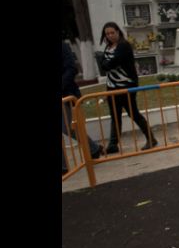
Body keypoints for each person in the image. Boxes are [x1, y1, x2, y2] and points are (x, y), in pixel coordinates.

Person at [98, 22, 157, 154]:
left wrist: (104, 63)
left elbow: (109, 65)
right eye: (107, 33)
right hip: (112, 87)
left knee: (133, 113)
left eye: (112, 32)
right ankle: (113, 145)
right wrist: (104, 64)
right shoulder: (108, 47)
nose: (110, 35)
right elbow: (104, 66)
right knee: (115, 115)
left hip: (126, 87)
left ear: (118, 32)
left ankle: (151, 139)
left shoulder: (123, 46)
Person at [62, 41, 104, 174]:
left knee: (69, 128)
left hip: (65, 93)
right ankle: (63, 167)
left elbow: (72, 68)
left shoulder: (62, 46)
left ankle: (93, 149)